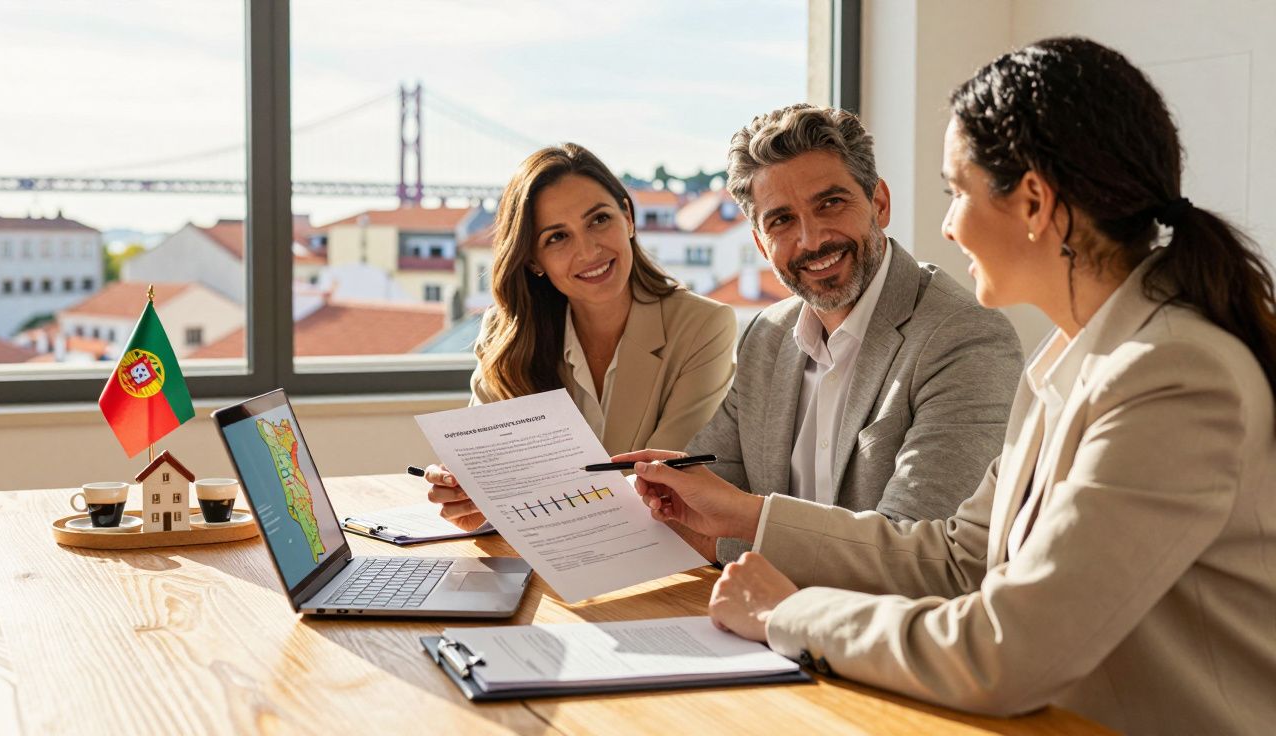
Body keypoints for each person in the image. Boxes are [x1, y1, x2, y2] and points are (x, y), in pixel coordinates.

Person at [625, 38, 1276, 734]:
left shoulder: (1171, 376)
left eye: (955, 191)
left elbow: (1009, 649)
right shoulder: (1070, 360)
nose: (945, 224)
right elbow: (956, 557)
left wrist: (785, 615)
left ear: (1032, 201)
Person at [649, 104, 1023, 562]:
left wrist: (742, 527)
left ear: (879, 203)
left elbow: (917, 553)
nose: (811, 240)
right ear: (760, 243)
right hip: (753, 618)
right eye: (781, 220)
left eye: (830, 203)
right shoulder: (766, 335)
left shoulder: (967, 339)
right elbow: (699, 504)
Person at [426, 143, 737, 531]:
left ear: (628, 217)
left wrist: (516, 497)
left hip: (658, 560)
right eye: (557, 237)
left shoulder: (703, 326)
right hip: (540, 563)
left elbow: (665, 485)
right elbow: (487, 474)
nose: (588, 250)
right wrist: (466, 493)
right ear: (533, 260)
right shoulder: (505, 335)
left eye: (599, 220)